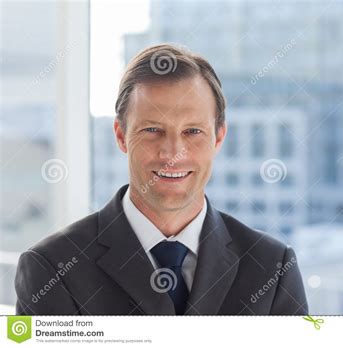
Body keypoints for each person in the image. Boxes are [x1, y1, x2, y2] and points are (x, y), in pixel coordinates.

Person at [15, 44, 308, 315]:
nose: (172, 153)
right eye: (153, 130)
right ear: (121, 135)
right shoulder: (52, 268)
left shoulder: (272, 267)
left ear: (218, 138)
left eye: (192, 132)